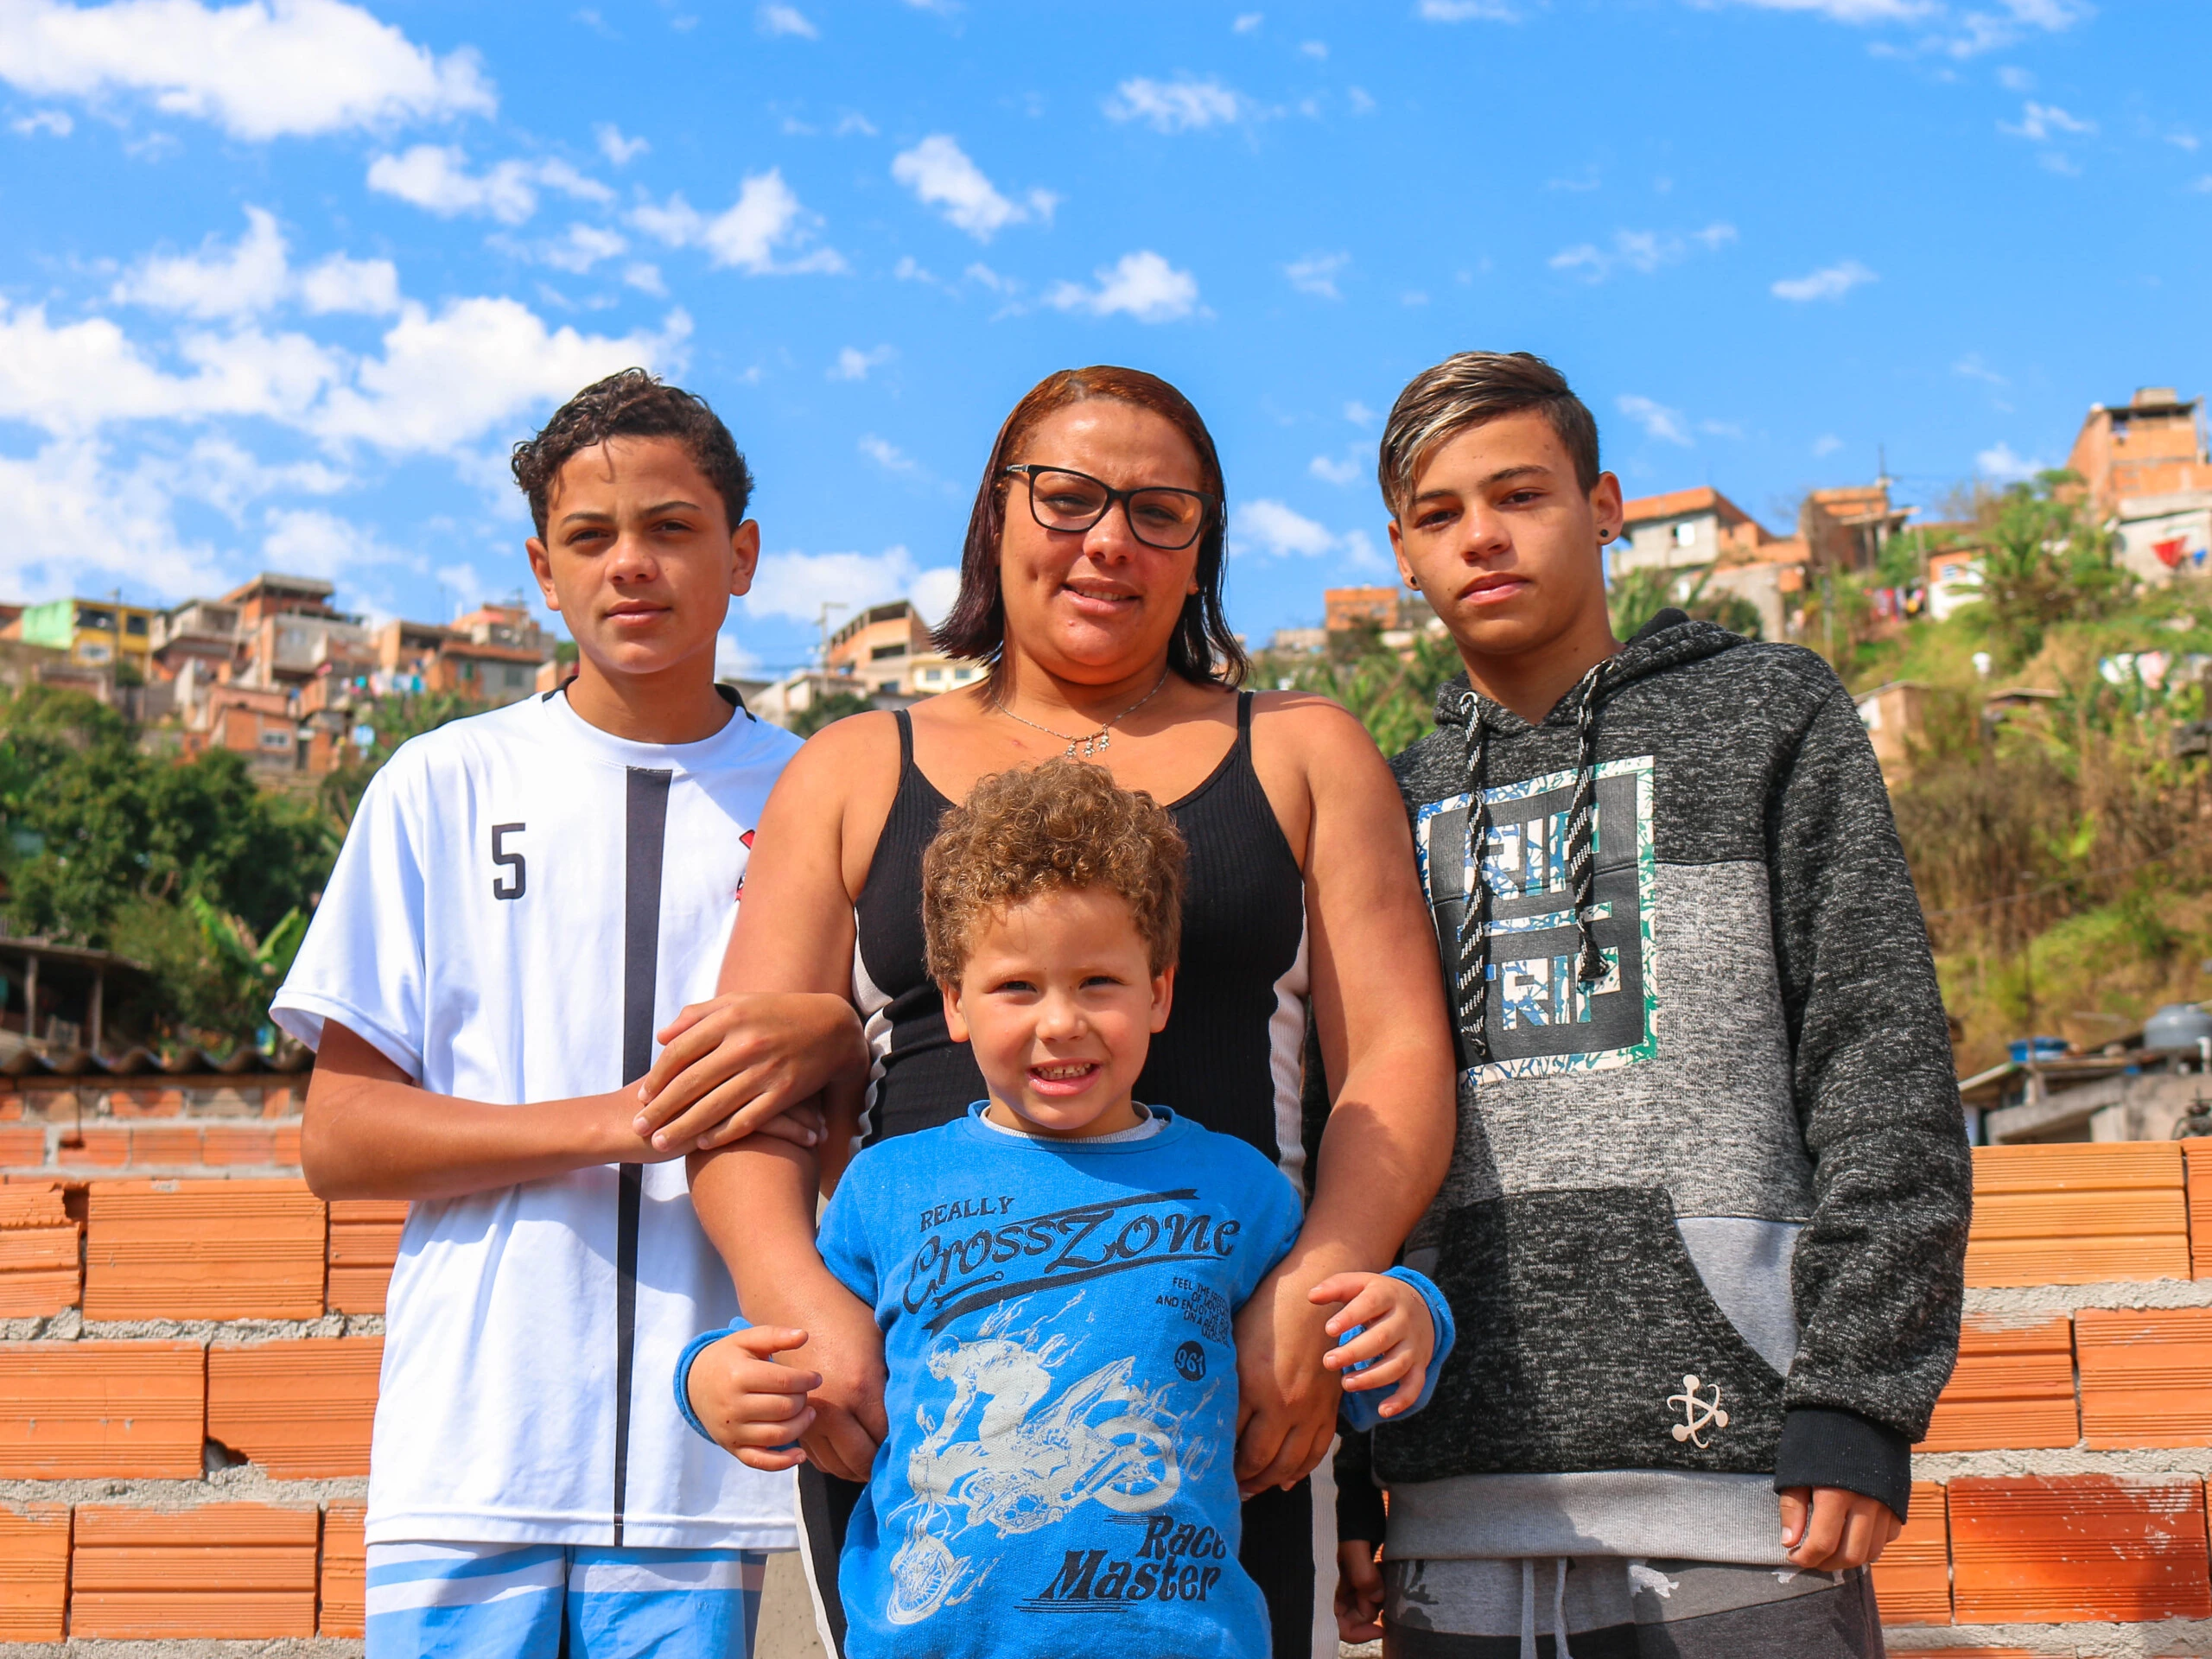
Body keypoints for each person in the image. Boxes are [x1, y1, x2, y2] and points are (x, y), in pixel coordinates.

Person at [637, 365, 1458, 1656]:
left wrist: (1314, 1281)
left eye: (1159, 512)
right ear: (995, 519)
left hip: (1222, 1395)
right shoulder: (856, 765)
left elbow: (1398, 1056)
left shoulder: (1307, 753)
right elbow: (743, 1088)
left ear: (1204, 554)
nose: (1108, 540)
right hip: (915, 1409)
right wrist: (804, 1302)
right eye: (1067, 498)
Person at [1331, 351, 1972, 1657]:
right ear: (1399, 550)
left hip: (1755, 1498)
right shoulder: (1378, 796)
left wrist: (1861, 1392)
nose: (1483, 537)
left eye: (1521, 494)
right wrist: (1348, 1467)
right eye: (1440, 514)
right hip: (1454, 1510)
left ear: (1605, 503)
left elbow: (1882, 1061)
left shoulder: (1767, 715)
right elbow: (1339, 1129)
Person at [276, 370, 859, 1659]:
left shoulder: (828, 794)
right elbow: (341, 1137)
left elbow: (889, 1099)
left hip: (728, 1464)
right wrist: (624, 1119)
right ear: (544, 569)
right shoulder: (442, 781)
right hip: (476, 1444)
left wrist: (838, 1041)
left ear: (742, 554)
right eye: (591, 538)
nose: (631, 566)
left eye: (671, 528)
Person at [678, 761, 1454, 1659]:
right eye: (1017, 987)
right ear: (954, 999)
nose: (1060, 1022)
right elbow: (786, 1354)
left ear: (1158, 991)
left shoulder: (1242, 1187)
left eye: (1097, 983)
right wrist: (708, 1383)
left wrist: (1411, 1318)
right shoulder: (884, 1187)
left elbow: (1340, 1346)